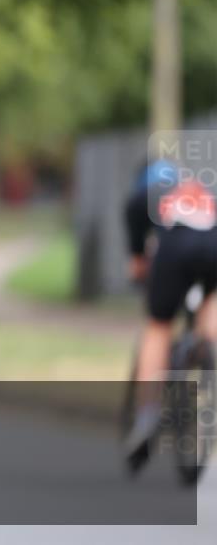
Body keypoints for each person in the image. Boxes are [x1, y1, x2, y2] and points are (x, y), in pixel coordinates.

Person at [123, 157, 217, 467]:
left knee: (158, 326)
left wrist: (137, 260)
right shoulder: (199, 188)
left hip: (175, 247)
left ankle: (147, 418)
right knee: (210, 312)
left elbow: (135, 216)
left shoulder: (147, 192)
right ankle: (207, 352)